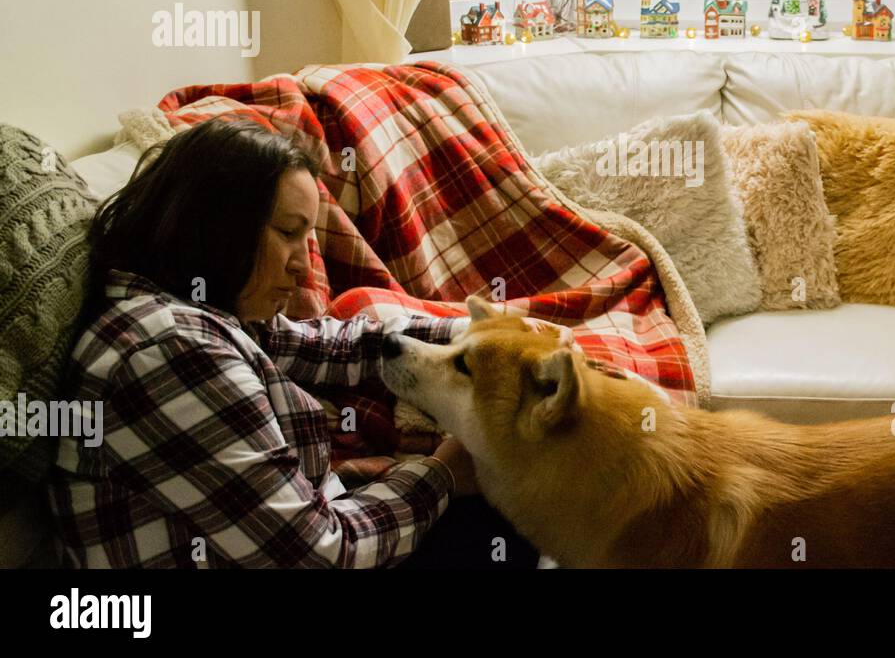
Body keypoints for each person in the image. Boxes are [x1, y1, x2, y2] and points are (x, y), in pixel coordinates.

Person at [47, 118, 552, 568]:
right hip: (315, 551)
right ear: (217, 225)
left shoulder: (202, 306)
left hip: (304, 526)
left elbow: (333, 348)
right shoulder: (172, 351)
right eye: (288, 233)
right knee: (506, 518)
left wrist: (483, 339)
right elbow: (320, 553)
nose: (302, 266)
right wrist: (443, 472)